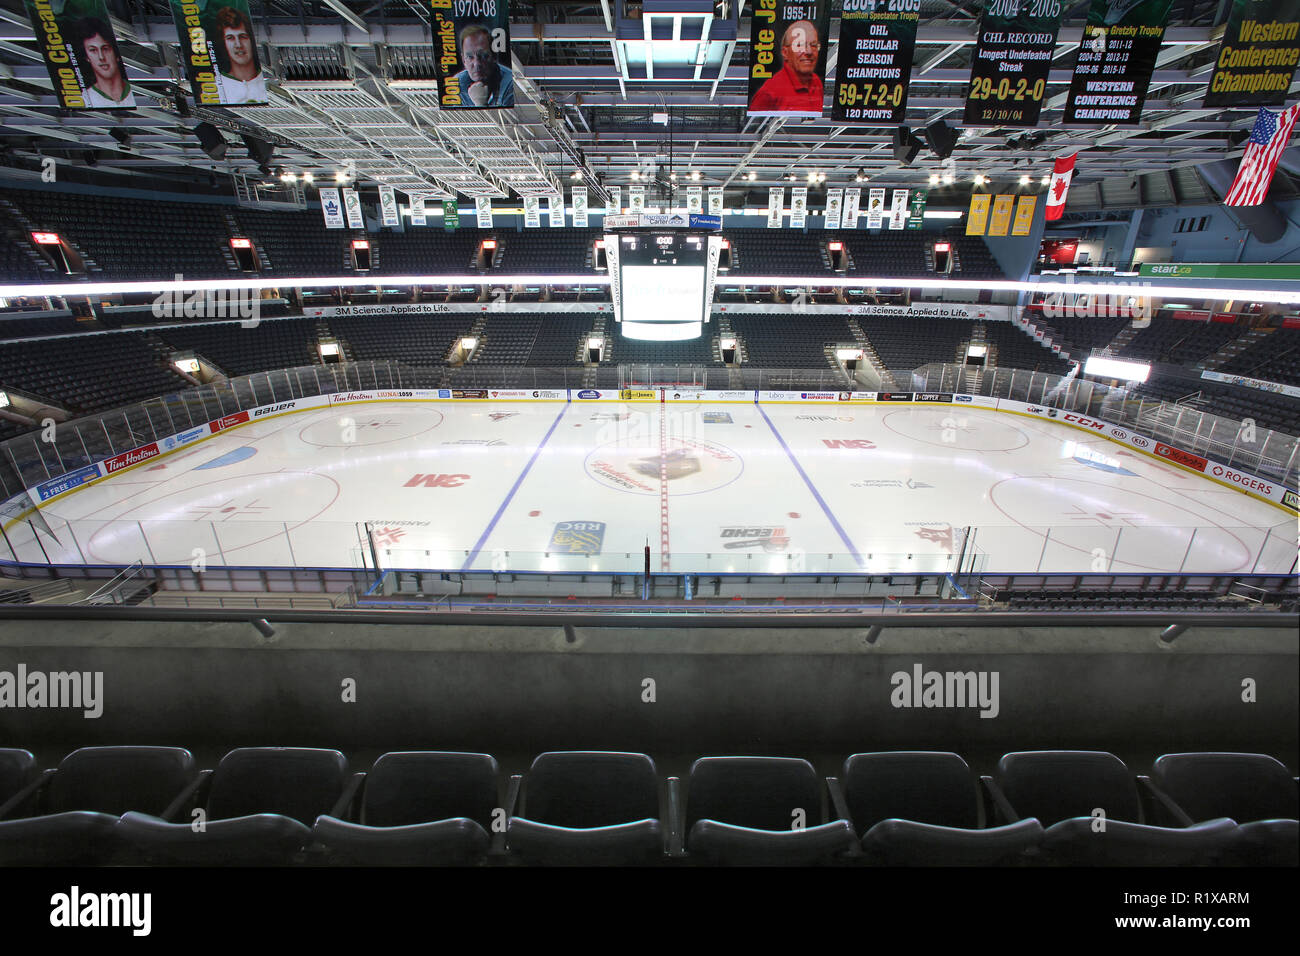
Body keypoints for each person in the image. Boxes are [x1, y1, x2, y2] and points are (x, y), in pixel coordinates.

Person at [750, 20, 823, 114]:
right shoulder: (769, 94)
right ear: (785, 52)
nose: (809, 52)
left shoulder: (816, 82)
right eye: (799, 45)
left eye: (813, 45)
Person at [74, 18, 135, 108]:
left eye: (105, 48)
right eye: (93, 50)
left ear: (116, 53)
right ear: (87, 57)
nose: (101, 57)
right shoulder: (86, 99)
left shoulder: (134, 90)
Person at [453, 24, 515, 107]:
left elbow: (510, 119)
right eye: (470, 57)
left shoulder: (509, 82)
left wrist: (480, 103)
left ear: (494, 56)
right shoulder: (456, 85)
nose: (477, 63)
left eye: (483, 56)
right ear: (463, 60)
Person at [214, 5, 266, 104]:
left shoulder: (263, 84)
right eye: (230, 38)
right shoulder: (214, 88)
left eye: (243, 36)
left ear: (251, 40)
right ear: (223, 43)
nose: (238, 45)